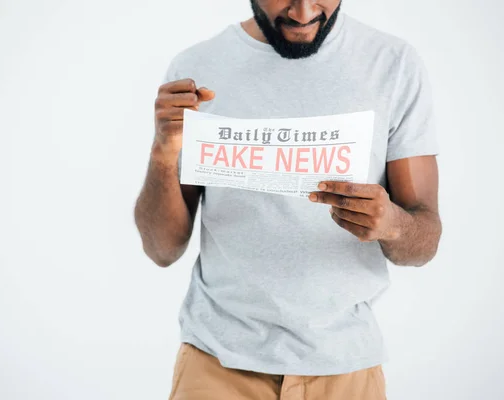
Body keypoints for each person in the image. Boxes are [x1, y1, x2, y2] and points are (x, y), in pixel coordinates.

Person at [134, 0, 442, 398]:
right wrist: (162, 154)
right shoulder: (197, 68)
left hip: (345, 366)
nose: (302, 13)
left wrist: (393, 224)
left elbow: (424, 242)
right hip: (216, 364)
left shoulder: (393, 64)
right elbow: (162, 249)